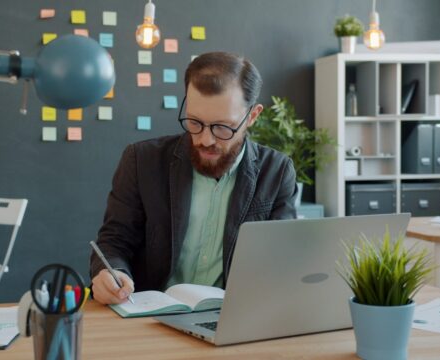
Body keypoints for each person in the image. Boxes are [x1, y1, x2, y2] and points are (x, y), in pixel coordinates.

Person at [90, 51, 297, 305]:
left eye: (222, 127)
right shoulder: (141, 160)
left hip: (230, 320)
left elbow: (282, 263)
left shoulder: (277, 172)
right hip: (149, 318)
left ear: (252, 116)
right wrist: (111, 274)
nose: (205, 140)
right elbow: (114, 242)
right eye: (194, 122)